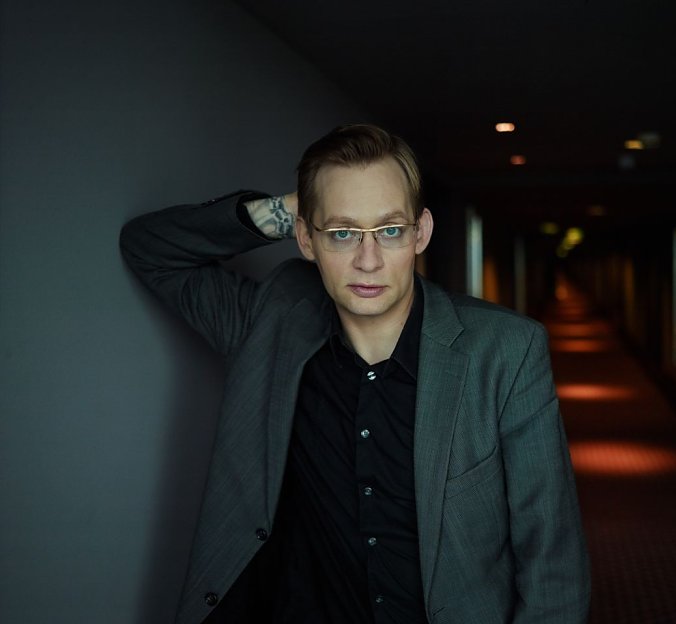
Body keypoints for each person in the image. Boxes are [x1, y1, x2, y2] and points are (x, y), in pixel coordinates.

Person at [120, 123, 590, 624]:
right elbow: (151, 250)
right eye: (343, 233)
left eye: (389, 230)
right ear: (306, 237)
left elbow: (553, 567)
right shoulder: (270, 325)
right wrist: (279, 211)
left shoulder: (506, 351)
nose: (368, 261)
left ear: (420, 233)